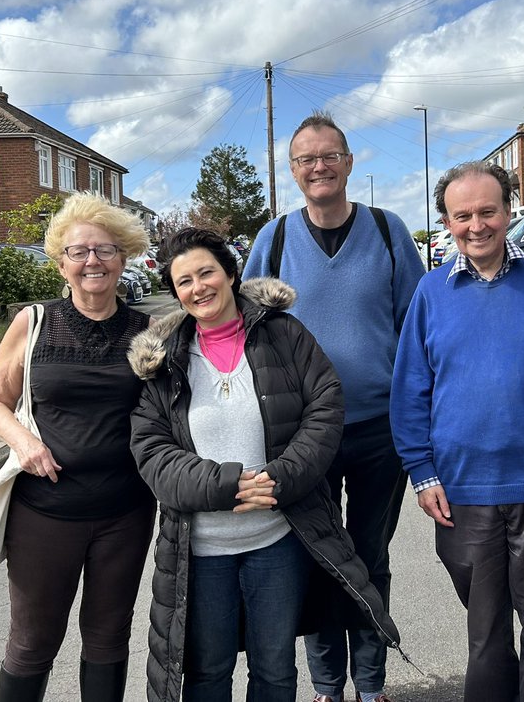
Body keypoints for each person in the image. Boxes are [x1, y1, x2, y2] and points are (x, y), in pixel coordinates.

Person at [127, 228, 402, 702]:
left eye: (207, 272)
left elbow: (325, 405)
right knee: (208, 672)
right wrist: (228, 485)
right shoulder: (163, 360)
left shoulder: (284, 333)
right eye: (184, 281)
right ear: (174, 292)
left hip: (276, 541)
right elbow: (152, 451)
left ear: (231, 273)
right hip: (202, 550)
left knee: (274, 670)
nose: (199, 287)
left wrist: (280, 478)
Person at [390, 161, 524, 702]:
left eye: (487, 211)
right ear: (447, 221)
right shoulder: (430, 293)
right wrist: (422, 472)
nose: (476, 225)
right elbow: (410, 389)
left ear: (509, 211)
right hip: (463, 492)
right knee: (485, 634)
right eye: (462, 215)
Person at [242, 111, 424, 702]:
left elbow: (418, 328)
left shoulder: (389, 230)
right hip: (302, 434)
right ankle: (327, 686)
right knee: (320, 557)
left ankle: (371, 684)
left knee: (369, 555)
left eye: (329, 156)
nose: (318, 167)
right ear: (293, 171)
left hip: (378, 429)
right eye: (305, 159)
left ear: (347, 163)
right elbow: (243, 327)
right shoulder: (272, 239)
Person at [0, 193, 156, 702]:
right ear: (61, 263)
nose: (92, 261)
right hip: (45, 513)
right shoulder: (33, 323)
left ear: (124, 258)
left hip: (126, 511)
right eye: (78, 252)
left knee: (108, 638)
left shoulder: (148, 331)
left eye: (104, 250)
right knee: (33, 642)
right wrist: (25, 443)